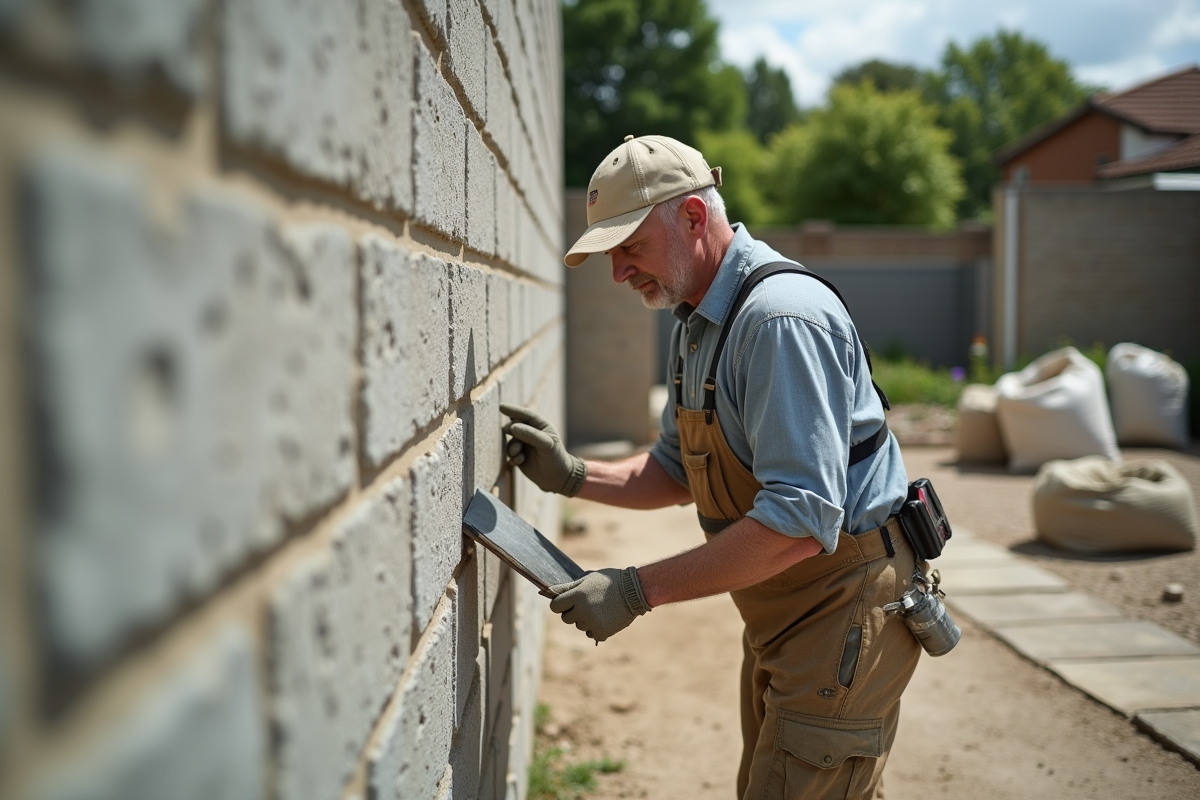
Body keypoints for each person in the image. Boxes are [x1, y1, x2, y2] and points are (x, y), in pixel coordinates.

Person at [501, 134, 922, 799]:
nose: (618, 274)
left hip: (840, 603)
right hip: (782, 608)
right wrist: (575, 476)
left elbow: (796, 522)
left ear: (693, 218)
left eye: (629, 249)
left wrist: (636, 590)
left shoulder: (780, 322)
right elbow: (676, 466)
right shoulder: (698, 319)